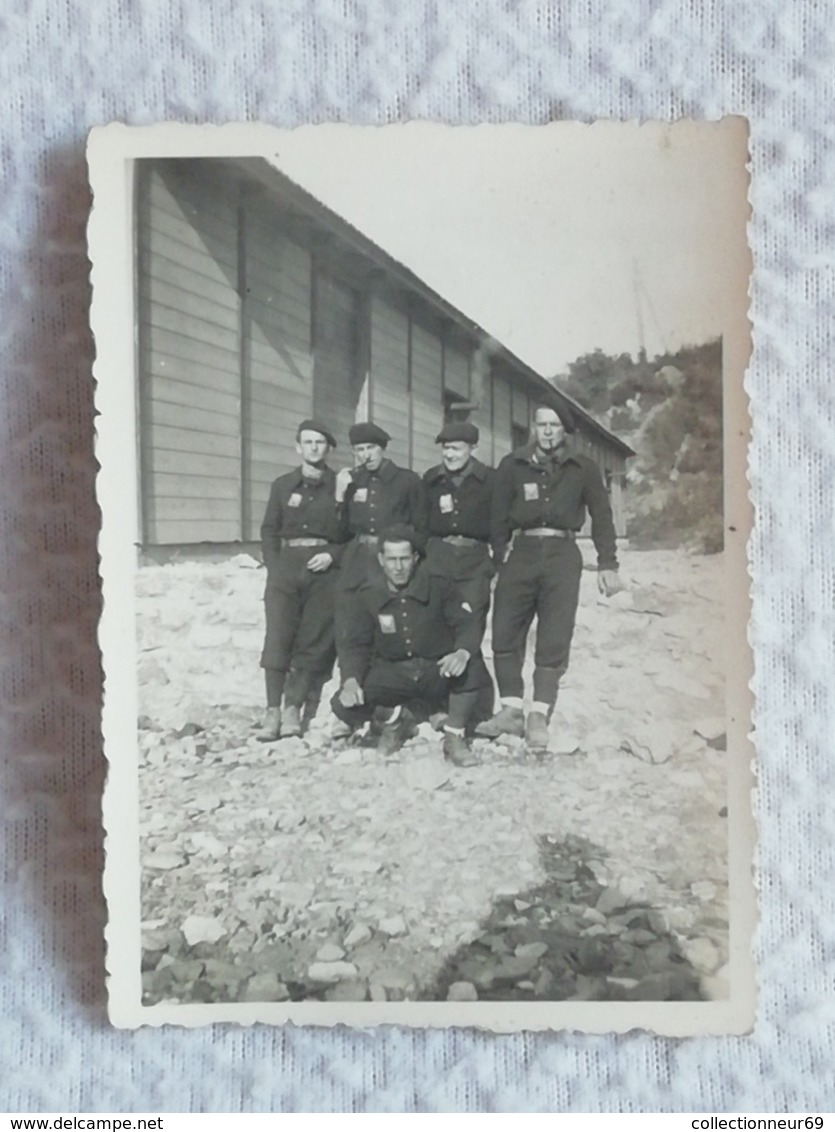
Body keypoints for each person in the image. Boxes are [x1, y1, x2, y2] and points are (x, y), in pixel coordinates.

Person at [476, 402, 623, 751]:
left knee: (555, 633)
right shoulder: (512, 465)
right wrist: (500, 558)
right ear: (534, 428)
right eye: (541, 424)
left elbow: (602, 516)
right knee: (505, 631)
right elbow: (496, 516)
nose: (546, 431)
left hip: (562, 557)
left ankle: (538, 713)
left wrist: (608, 563)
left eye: (554, 426)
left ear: (564, 431)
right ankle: (511, 708)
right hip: (521, 555)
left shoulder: (583, 468)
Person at [331, 525, 489, 766]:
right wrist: (351, 679)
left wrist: (462, 651)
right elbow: (355, 644)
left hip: (435, 671)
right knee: (342, 704)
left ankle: (454, 736)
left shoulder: (439, 586)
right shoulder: (368, 595)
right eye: (392, 559)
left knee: (472, 665)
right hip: (394, 673)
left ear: (415, 558)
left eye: (404, 558)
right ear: (381, 560)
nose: (398, 567)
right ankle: (396, 719)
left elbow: (467, 624)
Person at [331, 422, 427, 737]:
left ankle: (389, 703)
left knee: (387, 625)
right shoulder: (351, 481)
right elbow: (338, 530)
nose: (365, 455)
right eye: (359, 450)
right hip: (356, 560)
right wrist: (339, 495)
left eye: (370, 448)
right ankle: (352, 694)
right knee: (351, 625)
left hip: (389, 561)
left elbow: (421, 528)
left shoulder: (406, 481)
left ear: (382, 449)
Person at [258, 420, 345, 741]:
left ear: (328, 448)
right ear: (298, 447)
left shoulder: (339, 485)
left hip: (323, 572)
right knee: (278, 635)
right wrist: (274, 567)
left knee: (313, 639)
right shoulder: (283, 485)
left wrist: (333, 555)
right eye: (307, 442)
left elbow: (349, 533)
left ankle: (293, 707)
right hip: (286, 570)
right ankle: (272, 711)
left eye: (320, 442)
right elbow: (269, 530)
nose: (313, 447)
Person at [423, 420, 496, 723]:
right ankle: (438, 705)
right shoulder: (431, 480)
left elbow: (500, 526)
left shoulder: (490, 480)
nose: (449, 455)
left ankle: (475, 708)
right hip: (437, 558)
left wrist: (495, 565)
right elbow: (419, 523)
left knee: (469, 631)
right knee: (438, 630)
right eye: (445, 448)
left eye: (456, 448)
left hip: (474, 561)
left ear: (472, 448)